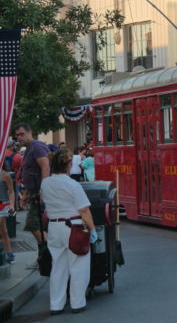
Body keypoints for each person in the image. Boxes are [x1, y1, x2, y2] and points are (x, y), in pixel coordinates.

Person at [41, 149, 97, 315]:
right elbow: (84, 211)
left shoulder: (45, 183)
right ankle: (77, 303)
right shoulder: (73, 184)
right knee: (79, 265)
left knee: (58, 267)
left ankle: (56, 305)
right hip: (73, 226)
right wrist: (92, 230)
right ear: (68, 165)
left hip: (53, 226)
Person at [14, 123, 50, 249]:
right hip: (34, 194)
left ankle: (47, 253)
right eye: (17, 135)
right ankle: (45, 254)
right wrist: (26, 195)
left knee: (33, 225)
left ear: (30, 132)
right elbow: (30, 173)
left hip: (41, 194)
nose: (19, 137)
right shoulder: (30, 148)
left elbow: (45, 168)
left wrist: (43, 192)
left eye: (22, 134)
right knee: (37, 226)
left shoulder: (37, 146)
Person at [0, 168, 16, 264]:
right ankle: (9, 253)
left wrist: (12, 205)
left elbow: (11, 191)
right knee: (3, 231)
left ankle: (9, 253)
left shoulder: (5, 175)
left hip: (4, 205)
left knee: (2, 227)